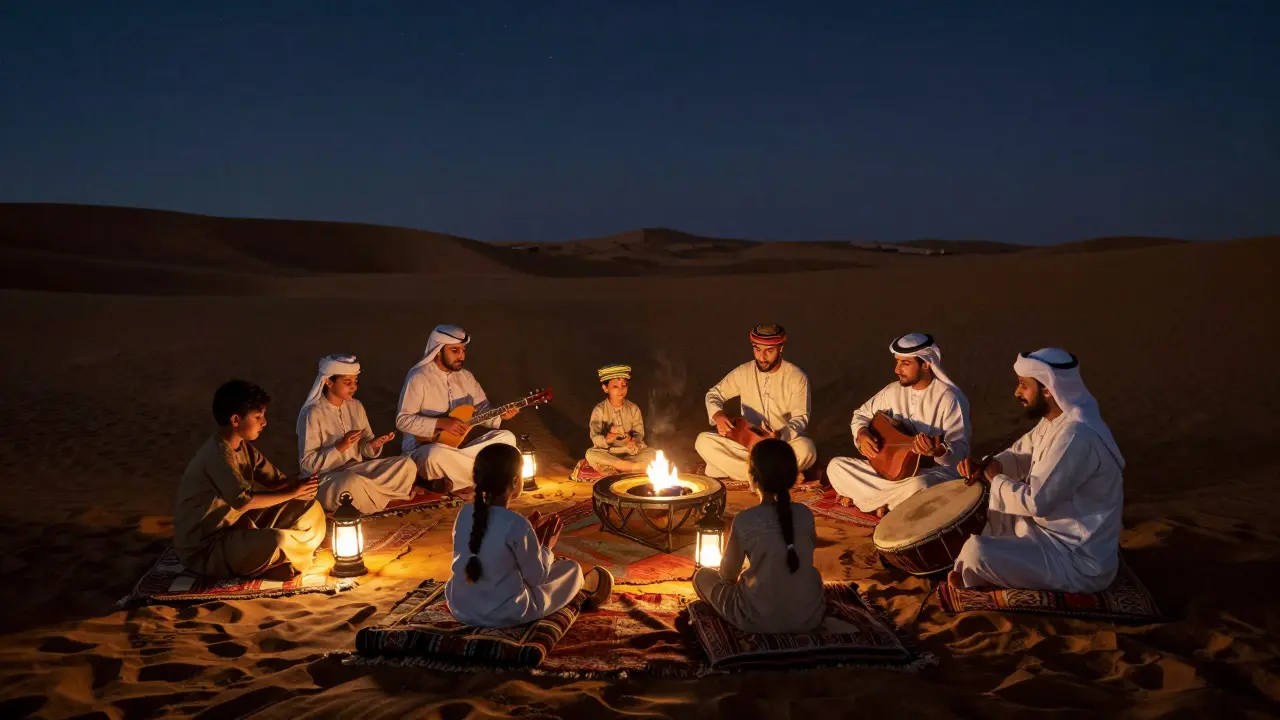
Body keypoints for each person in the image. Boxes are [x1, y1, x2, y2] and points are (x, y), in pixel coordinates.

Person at [950, 348, 1125, 593]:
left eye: (1023, 385)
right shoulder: (1054, 421)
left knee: (977, 552)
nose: (1017, 392)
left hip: (1075, 556)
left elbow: (1037, 503)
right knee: (981, 514)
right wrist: (986, 466)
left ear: (1048, 389)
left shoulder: (1076, 436)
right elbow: (1018, 455)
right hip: (1045, 531)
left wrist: (995, 478)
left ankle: (983, 572)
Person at [445, 444, 614, 627]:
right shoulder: (516, 524)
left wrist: (530, 535)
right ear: (515, 481)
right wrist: (545, 546)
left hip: (460, 607)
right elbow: (536, 579)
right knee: (571, 569)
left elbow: (491, 547)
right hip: (504, 613)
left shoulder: (464, 513)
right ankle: (582, 590)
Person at [174, 380, 326, 580]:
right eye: (258, 417)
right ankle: (281, 558)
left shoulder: (244, 448)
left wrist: (305, 483)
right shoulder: (218, 456)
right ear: (236, 420)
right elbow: (244, 501)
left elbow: (277, 483)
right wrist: (293, 491)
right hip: (207, 547)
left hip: (236, 526)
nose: (264, 422)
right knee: (277, 539)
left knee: (311, 509)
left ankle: (283, 558)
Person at [825, 333, 971, 517]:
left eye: (905, 363)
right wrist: (862, 434)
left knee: (921, 486)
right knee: (836, 467)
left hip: (930, 472)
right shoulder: (892, 391)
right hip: (889, 470)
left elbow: (961, 451)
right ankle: (891, 504)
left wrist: (937, 452)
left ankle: (871, 501)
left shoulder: (950, 398)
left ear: (926, 364)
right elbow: (860, 414)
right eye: (897, 362)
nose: (897, 369)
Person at [692, 439, 825, 633]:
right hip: (808, 617)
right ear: (792, 477)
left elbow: (727, 576)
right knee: (811, 579)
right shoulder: (805, 514)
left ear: (752, 477)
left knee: (702, 576)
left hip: (755, 620)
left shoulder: (744, 520)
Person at [395, 325, 519, 491]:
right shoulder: (419, 377)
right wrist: (442, 423)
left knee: (507, 438)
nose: (461, 356)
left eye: (463, 350)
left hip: (459, 450)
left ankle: (452, 481)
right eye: (455, 350)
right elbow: (402, 421)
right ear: (438, 350)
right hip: (423, 450)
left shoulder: (466, 377)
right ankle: (479, 478)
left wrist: (500, 416)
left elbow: (483, 410)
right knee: (434, 456)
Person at [296, 354, 418, 514]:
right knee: (350, 484)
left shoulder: (356, 406)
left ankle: (370, 496)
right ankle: (384, 495)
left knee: (406, 465)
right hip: (327, 478)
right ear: (328, 382)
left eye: (355, 382)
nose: (353, 387)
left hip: (356, 469)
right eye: (347, 382)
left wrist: (374, 445)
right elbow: (307, 465)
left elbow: (365, 448)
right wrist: (340, 447)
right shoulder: (312, 413)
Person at [695, 323, 817, 483]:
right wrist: (717, 414)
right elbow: (714, 394)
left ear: (781, 348)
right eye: (757, 349)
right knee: (703, 442)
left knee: (807, 449)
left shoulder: (797, 377)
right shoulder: (744, 371)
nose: (762, 357)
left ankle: (751, 473)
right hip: (747, 445)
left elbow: (800, 418)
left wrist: (779, 436)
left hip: (781, 446)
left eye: (769, 351)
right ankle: (778, 476)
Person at [584, 364, 659, 473]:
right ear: (605, 388)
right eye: (615, 386)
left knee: (654, 453)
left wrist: (633, 440)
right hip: (609, 453)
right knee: (590, 454)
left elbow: (639, 432)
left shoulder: (634, 408)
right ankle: (632, 468)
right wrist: (607, 439)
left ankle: (622, 468)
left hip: (631, 453)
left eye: (624, 385)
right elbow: (595, 435)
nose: (621, 390)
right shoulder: (599, 410)